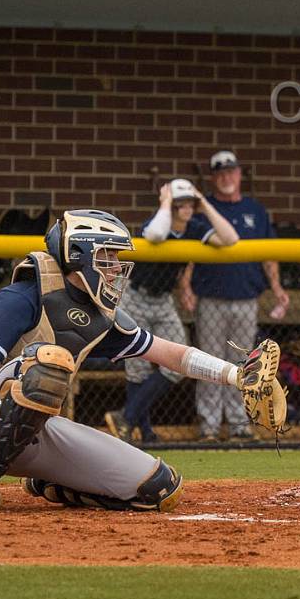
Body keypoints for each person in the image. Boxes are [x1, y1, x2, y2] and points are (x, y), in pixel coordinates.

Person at [0, 208, 280, 510]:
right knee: (49, 361)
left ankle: (53, 483)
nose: (116, 268)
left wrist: (237, 376)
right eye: (106, 257)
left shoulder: (101, 315)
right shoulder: (23, 297)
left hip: (34, 433)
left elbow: (171, 354)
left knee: (158, 487)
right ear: (77, 255)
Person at [106, 177, 238, 444]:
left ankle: (126, 417)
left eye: (189, 203)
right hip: (135, 297)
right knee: (137, 368)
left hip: (164, 301)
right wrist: (166, 203)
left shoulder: (195, 227)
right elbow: (155, 235)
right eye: (181, 204)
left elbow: (230, 239)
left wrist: (204, 204)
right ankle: (142, 431)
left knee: (177, 364)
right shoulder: (157, 221)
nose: (186, 208)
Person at [187, 150, 287, 442]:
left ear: (239, 174)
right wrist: (185, 287)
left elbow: (270, 255)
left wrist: (277, 288)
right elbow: (190, 258)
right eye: (219, 173)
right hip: (211, 298)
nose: (226, 178)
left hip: (246, 297)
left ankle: (238, 423)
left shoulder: (256, 211)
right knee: (209, 361)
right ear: (212, 179)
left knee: (244, 364)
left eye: (230, 171)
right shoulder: (204, 212)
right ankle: (208, 425)